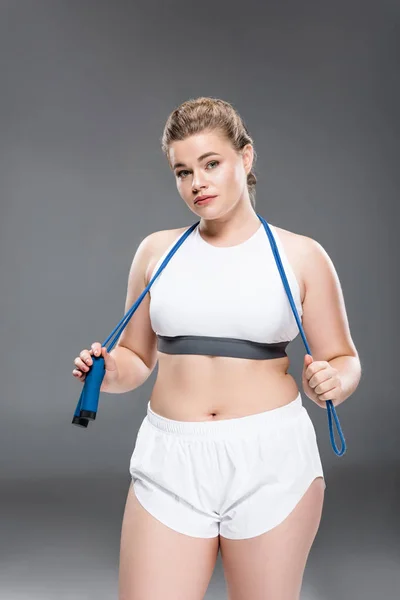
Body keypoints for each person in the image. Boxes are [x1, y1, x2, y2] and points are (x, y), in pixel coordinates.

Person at [72, 97, 361, 600]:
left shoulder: (302, 255)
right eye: (183, 172)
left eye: (211, 164)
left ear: (245, 158)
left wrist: (335, 381)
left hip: (271, 462)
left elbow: (344, 358)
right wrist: (105, 368)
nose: (197, 183)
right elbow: (138, 360)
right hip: (171, 460)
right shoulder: (156, 252)